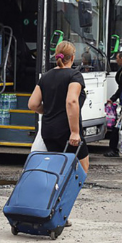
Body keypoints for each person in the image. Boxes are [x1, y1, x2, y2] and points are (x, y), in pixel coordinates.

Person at [28, 40, 89, 173]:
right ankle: (66, 194)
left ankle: (55, 193)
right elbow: (71, 101)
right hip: (67, 130)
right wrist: (75, 132)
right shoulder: (74, 76)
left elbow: (32, 104)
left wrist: (47, 110)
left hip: (48, 129)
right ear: (72, 57)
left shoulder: (45, 77)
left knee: (57, 170)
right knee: (81, 171)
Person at [104, 51, 122, 157]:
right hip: (121, 100)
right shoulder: (121, 70)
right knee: (117, 125)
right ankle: (114, 148)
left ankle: (116, 148)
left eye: (117, 58)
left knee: (120, 126)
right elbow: (120, 88)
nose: (116, 60)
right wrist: (113, 98)